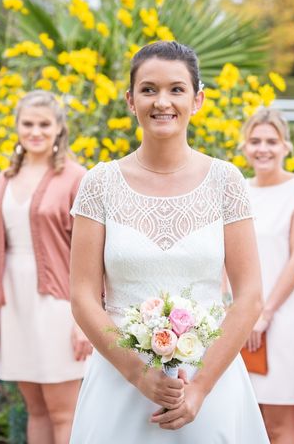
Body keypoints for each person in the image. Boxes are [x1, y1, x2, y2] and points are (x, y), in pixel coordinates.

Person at [67, 41, 270, 443]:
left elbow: (249, 296)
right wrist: (138, 375)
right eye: (148, 89)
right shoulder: (99, 184)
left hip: (209, 383)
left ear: (197, 100)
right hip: (119, 384)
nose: (163, 102)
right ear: (130, 99)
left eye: (176, 89)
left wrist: (199, 389)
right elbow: (84, 297)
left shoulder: (226, 182)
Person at [0, 90, 92, 443]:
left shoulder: (77, 177)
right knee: (35, 409)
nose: (35, 131)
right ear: (17, 127)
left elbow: (94, 251)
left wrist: (85, 319)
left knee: (64, 411)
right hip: (13, 302)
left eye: (44, 124)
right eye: (28, 123)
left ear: (59, 129)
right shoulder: (4, 179)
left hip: (60, 303)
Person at [241, 108, 294, 443]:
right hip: (241, 318)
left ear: (286, 146)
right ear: (244, 146)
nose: (263, 148)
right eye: (255, 141)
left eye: (271, 141)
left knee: (279, 422)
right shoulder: (239, 191)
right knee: (245, 418)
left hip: (281, 320)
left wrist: (265, 313)